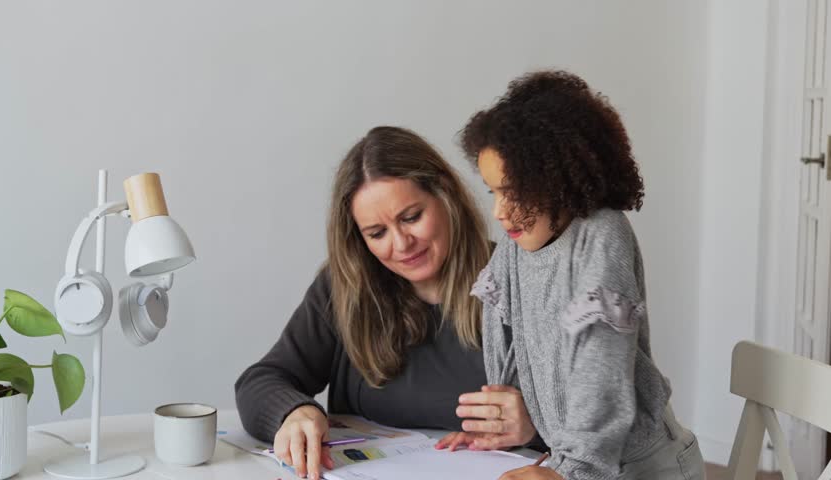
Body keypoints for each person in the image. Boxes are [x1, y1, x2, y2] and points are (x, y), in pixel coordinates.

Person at [440, 71, 705, 479]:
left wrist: (573, 468)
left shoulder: (602, 234)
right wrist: (499, 427)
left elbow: (601, 365)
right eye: (494, 191)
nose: (500, 211)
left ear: (556, 179)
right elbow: (510, 344)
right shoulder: (517, 245)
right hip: (575, 462)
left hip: (645, 467)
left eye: (514, 191)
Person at [235, 126, 509, 480]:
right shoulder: (344, 288)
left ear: (447, 196)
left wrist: (533, 423)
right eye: (377, 233)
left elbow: (593, 419)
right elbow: (260, 381)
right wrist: (295, 412)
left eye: (411, 217)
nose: (401, 244)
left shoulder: (516, 281)